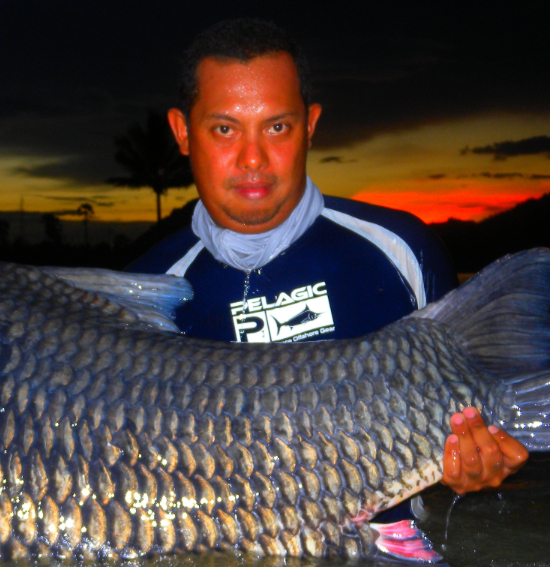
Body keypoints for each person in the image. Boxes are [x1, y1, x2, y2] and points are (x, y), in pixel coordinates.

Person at [127, 19, 527, 530]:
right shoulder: (140, 295)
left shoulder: (403, 250)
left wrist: (476, 465)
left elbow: (485, 418)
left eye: (277, 127)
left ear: (310, 126)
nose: (253, 158)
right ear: (183, 133)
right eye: (225, 129)